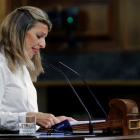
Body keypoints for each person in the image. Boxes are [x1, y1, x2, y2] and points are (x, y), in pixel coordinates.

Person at [0, 6, 75, 131]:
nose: (43, 44)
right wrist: (32, 117)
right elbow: (26, 117)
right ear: (19, 31)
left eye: (44, 38)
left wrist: (52, 121)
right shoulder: (1, 64)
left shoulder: (22, 66)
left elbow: (23, 119)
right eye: (39, 36)